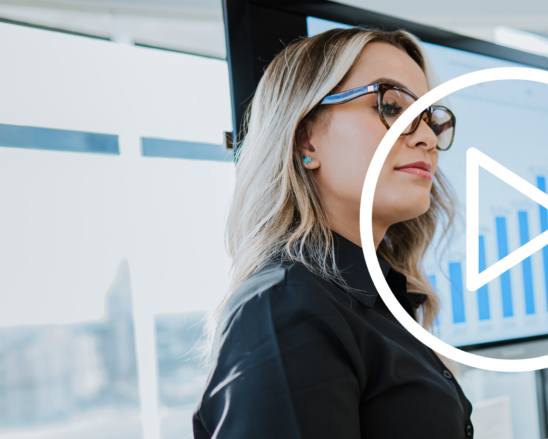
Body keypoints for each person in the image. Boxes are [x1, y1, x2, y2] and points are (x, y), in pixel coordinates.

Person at [191, 27, 469, 438]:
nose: (427, 137)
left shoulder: (373, 302)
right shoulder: (284, 308)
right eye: (392, 106)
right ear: (306, 139)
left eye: (430, 117)